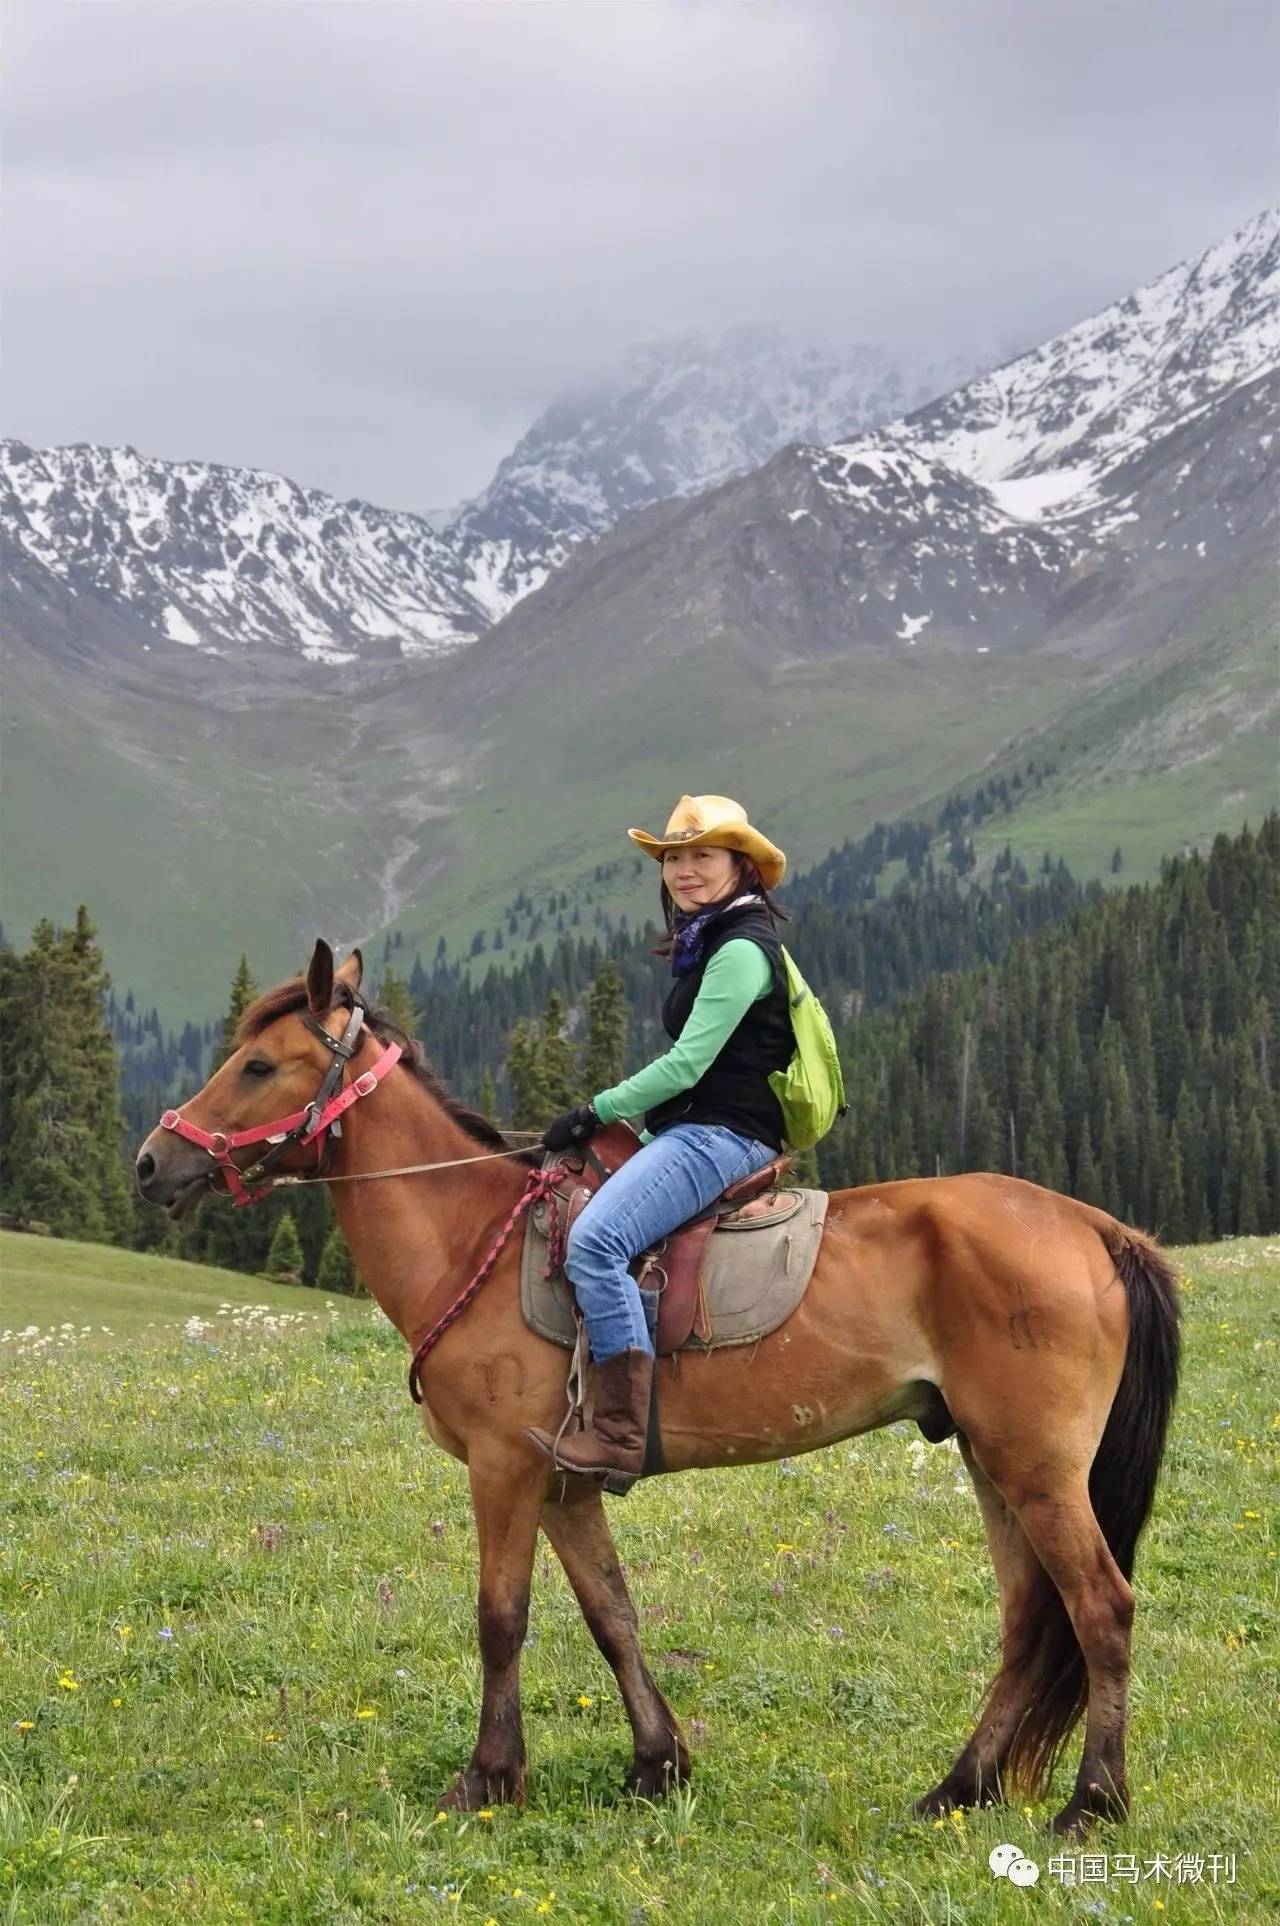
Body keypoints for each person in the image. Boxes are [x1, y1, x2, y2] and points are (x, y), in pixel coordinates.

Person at [525, 794, 795, 1488]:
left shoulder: (741, 948)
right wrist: (638, 1129)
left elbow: (689, 1065)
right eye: (674, 859)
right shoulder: (716, 937)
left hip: (724, 1135)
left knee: (595, 1242)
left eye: (701, 856)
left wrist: (597, 1109)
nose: (685, 871)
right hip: (699, 1125)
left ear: (740, 865)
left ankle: (619, 1435)